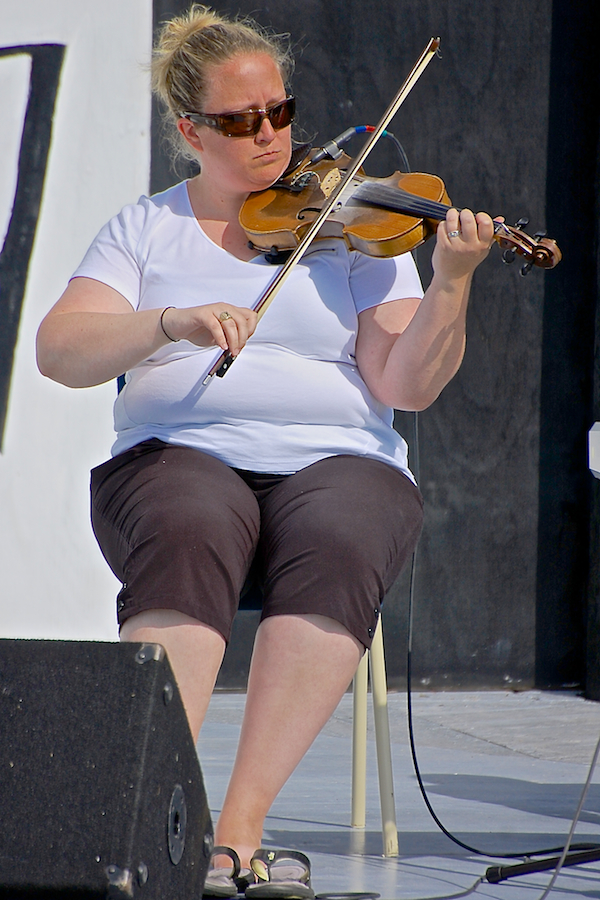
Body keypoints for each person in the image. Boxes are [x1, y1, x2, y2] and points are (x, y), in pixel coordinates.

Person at [36, 4, 496, 895]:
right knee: (189, 519)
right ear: (190, 132)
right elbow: (61, 353)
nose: (272, 137)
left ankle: (237, 831)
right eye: (243, 121)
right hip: (177, 453)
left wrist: (450, 285)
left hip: (336, 460)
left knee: (346, 530)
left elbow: (406, 386)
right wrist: (168, 322)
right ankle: (151, 819)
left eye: (281, 112)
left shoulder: (355, 227)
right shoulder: (146, 229)